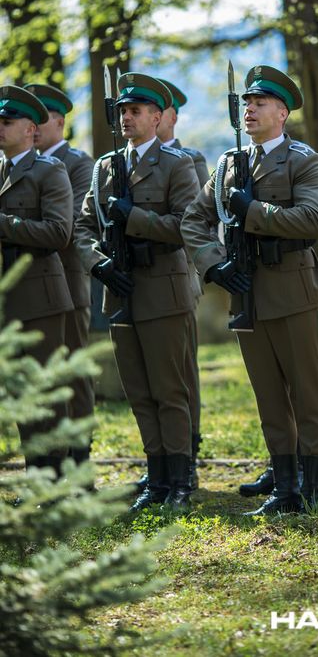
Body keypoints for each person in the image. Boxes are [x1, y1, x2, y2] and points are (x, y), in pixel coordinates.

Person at [181, 64, 318, 514]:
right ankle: (284, 487)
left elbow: (312, 220)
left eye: (260, 103)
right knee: (268, 395)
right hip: (246, 291)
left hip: (292, 290)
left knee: (306, 392)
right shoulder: (230, 163)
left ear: (282, 113)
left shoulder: (304, 160)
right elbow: (194, 220)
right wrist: (214, 266)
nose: (249, 109)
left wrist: (254, 210)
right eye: (246, 103)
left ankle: (310, 487)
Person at [74, 73, 200, 512]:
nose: (126, 118)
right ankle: (157, 477)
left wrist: (135, 218)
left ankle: (180, 480)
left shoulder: (176, 164)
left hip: (163, 292)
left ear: (158, 117)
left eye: (135, 111)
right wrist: (98, 263)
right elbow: (83, 227)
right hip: (120, 290)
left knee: (170, 390)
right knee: (139, 392)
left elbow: (187, 224)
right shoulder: (105, 168)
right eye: (123, 111)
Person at [132, 78, 210, 496]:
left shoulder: (188, 159)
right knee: (154, 379)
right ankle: (164, 463)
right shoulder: (122, 163)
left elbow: (196, 221)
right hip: (139, 281)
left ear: (169, 116)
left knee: (181, 375)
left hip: (178, 275)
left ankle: (187, 457)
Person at [0, 85, 73, 473]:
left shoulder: (49, 170)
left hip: (41, 297)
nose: (0, 127)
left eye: (7, 121)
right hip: (7, 299)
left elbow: (59, 233)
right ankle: (35, 475)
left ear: (30, 129)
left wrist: (6, 224)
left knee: (45, 392)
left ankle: (56, 478)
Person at [28, 83, 96, 465]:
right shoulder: (19, 165)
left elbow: (70, 226)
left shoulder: (78, 164)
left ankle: (80, 461)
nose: (34, 127)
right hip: (29, 288)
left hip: (67, 283)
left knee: (73, 374)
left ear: (60, 122)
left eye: (42, 119)